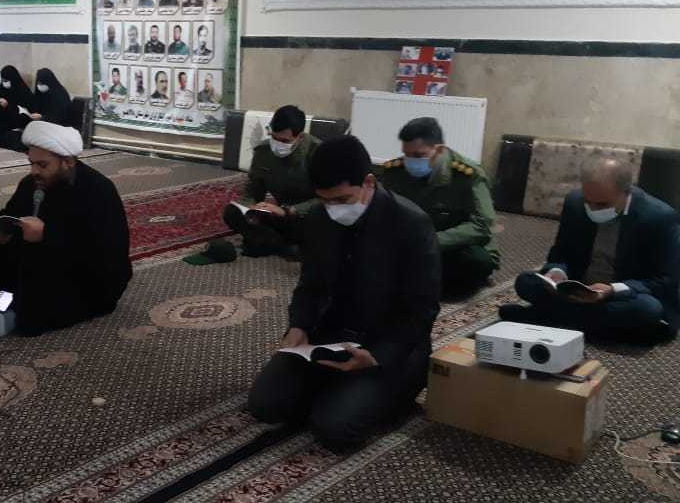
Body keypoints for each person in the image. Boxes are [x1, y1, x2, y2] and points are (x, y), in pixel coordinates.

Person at [246, 135, 441, 450]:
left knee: (335, 429)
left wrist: (377, 356)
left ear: (368, 183)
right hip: (331, 337)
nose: (333, 209)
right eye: (325, 200)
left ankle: (388, 395)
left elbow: (422, 311)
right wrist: (298, 327)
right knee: (265, 406)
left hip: (387, 345)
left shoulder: (411, 224)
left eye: (341, 200)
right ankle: (336, 390)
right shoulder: (320, 218)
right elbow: (310, 285)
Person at [0, 121, 132, 337]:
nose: (35, 171)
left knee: (43, 281)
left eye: (42, 165)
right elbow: (8, 215)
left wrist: (46, 237)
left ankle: (15, 314)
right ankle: (2, 308)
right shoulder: (31, 184)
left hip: (85, 275)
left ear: (67, 162)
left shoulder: (98, 190)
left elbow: (105, 254)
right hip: (34, 257)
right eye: (31, 163)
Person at [500, 157, 680, 344]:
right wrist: (557, 271)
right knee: (525, 282)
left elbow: (666, 280)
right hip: (580, 290)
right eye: (588, 202)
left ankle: (548, 318)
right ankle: (594, 326)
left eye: (602, 205)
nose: (592, 209)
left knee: (648, 309)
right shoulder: (575, 202)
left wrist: (613, 290)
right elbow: (561, 252)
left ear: (627, 192)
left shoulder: (659, 217)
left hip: (622, 295)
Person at [379, 118, 498, 297]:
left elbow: (482, 225)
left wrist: (433, 241)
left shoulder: (467, 175)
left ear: (439, 150)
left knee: (477, 262)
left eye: (418, 155)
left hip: (451, 245)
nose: (410, 161)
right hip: (411, 244)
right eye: (406, 154)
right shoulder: (394, 172)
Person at [222, 106, 319, 258]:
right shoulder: (263, 151)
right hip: (277, 214)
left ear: (300, 137)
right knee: (232, 212)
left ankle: (273, 244)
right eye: (274, 137)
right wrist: (250, 208)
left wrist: (289, 211)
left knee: (321, 226)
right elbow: (252, 190)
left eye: (284, 141)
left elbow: (328, 200)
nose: (277, 144)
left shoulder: (318, 153)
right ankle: (279, 244)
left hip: (306, 216)